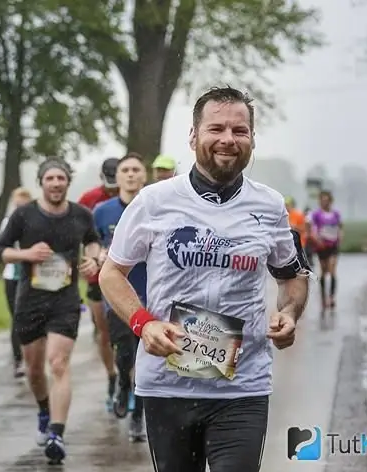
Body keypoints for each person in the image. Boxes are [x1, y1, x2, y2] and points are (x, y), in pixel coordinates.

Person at [99, 86, 311, 472]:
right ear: (194, 136)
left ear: (251, 139)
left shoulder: (270, 206)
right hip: (168, 384)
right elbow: (111, 273)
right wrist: (143, 324)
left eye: (240, 131)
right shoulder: (154, 201)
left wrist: (291, 313)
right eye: (216, 129)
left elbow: (292, 276)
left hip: (242, 386)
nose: (228, 140)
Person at [0, 158, 102, 464]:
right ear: (41, 182)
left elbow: (93, 242)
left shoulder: (82, 215)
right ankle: (44, 409)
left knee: (58, 363)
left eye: (61, 178)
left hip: (64, 301)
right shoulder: (24, 215)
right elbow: (0, 251)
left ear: (68, 181)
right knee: (34, 369)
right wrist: (26, 253)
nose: (56, 183)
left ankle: (57, 432)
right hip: (30, 300)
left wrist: (93, 260)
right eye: (50, 178)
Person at [93, 153, 148, 442]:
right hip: (116, 295)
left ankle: (138, 417)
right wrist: (96, 258)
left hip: (151, 293)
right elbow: (91, 246)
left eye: (135, 170)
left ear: (144, 175)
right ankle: (122, 385)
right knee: (124, 353)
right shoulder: (102, 212)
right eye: (124, 169)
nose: (129, 174)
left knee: (146, 358)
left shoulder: (155, 208)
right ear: (118, 176)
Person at [78, 157, 119, 409]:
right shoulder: (89, 199)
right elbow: (77, 232)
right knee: (105, 334)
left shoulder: (141, 197)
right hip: (97, 276)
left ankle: (130, 382)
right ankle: (112, 377)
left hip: (130, 276)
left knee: (131, 335)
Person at [0, 187, 33, 378]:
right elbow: (3, 247)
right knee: (17, 318)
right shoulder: (8, 222)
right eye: (17, 205)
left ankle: (34, 356)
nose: (20, 209)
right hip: (13, 276)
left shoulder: (38, 219)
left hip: (35, 276)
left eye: (24, 206)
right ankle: (18, 359)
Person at [309, 191, 343, 309]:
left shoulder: (336, 214)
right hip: (321, 245)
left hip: (333, 245)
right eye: (322, 200)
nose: (325, 203)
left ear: (330, 201)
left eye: (327, 200)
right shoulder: (316, 214)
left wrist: (340, 237)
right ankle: (323, 297)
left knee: (332, 269)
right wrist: (315, 238)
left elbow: (340, 227)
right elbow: (312, 228)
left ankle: (332, 297)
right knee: (323, 271)